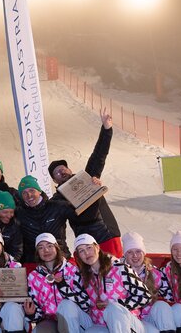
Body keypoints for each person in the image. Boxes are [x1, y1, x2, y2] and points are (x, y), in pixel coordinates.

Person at [48, 110, 123, 257]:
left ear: (70, 169)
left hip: (107, 235)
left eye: (63, 168)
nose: (62, 172)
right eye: (57, 172)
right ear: (55, 181)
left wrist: (106, 129)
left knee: (115, 273)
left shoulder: (87, 179)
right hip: (85, 243)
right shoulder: (57, 200)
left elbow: (99, 155)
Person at [56, 234, 151, 332]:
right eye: (81, 251)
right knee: (66, 304)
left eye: (89, 247)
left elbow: (145, 296)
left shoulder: (120, 269)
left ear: (97, 247)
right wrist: (62, 284)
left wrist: (115, 304)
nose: (87, 253)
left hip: (125, 323)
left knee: (114, 309)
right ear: (79, 256)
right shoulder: (82, 275)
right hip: (99, 323)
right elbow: (83, 303)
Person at [24, 233, 79, 333]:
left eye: (50, 246)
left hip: (72, 319)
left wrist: (62, 285)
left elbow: (82, 301)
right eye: (41, 248)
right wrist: (31, 314)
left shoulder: (72, 269)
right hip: (49, 320)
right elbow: (36, 311)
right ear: (37, 253)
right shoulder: (33, 276)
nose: (46, 250)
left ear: (57, 248)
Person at [121, 231, 175, 333]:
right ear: (125, 255)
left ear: (143, 253)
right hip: (129, 320)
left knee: (161, 306)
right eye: (130, 252)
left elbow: (171, 295)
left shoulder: (154, 273)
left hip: (147, 318)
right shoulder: (117, 272)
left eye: (138, 251)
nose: (135, 255)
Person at [14, 176, 73, 263]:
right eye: (24, 193)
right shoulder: (19, 214)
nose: (29, 195)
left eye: (32, 190)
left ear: (39, 191)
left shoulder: (57, 207)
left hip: (61, 259)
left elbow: (82, 216)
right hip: (35, 263)